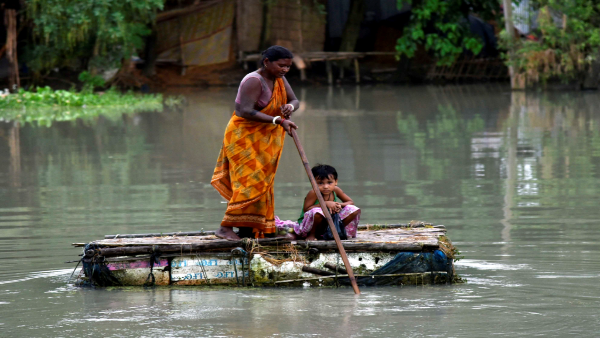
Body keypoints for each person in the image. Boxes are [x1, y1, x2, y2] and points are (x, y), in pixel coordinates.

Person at [211, 46, 299, 240]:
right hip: (242, 137)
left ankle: (255, 230)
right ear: (266, 62)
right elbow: (245, 111)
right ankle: (225, 228)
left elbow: (294, 99)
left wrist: (289, 106)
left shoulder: (279, 79)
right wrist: (278, 120)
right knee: (249, 182)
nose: (285, 70)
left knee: (264, 182)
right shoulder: (253, 80)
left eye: (288, 67)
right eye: (281, 65)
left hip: (265, 139)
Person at [295, 164, 361, 241]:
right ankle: (312, 234)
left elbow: (350, 202)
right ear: (313, 183)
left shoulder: (336, 190)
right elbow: (306, 209)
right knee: (317, 212)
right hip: (310, 225)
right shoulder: (313, 193)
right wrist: (325, 204)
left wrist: (338, 205)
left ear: (336, 182)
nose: (326, 186)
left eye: (329, 182)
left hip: (328, 222)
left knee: (353, 209)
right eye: (320, 183)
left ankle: (335, 231)